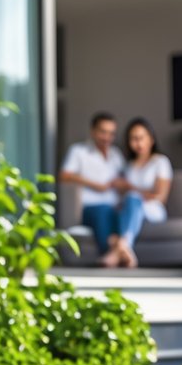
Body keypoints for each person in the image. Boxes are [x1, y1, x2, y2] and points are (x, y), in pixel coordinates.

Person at [103, 117, 173, 268]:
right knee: (116, 207)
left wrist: (130, 188)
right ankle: (124, 250)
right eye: (133, 139)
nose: (138, 143)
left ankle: (121, 246)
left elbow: (160, 197)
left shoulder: (160, 162)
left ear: (151, 139)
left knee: (133, 198)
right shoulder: (129, 166)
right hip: (131, 208)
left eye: (141, 138)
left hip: (153, 209)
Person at [58, 112, 125, 263]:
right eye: (103, 132)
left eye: (111, 133)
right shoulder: (78, 151)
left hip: (114, 207)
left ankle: (116, 252)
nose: (107, 137)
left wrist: (120, 184)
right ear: (93, 131)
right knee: (103, 212)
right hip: (89, 208)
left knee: (121, 213)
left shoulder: (116, 154)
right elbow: (64, 175)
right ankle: (113, 252)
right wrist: (96, 185)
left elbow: (124, 178)